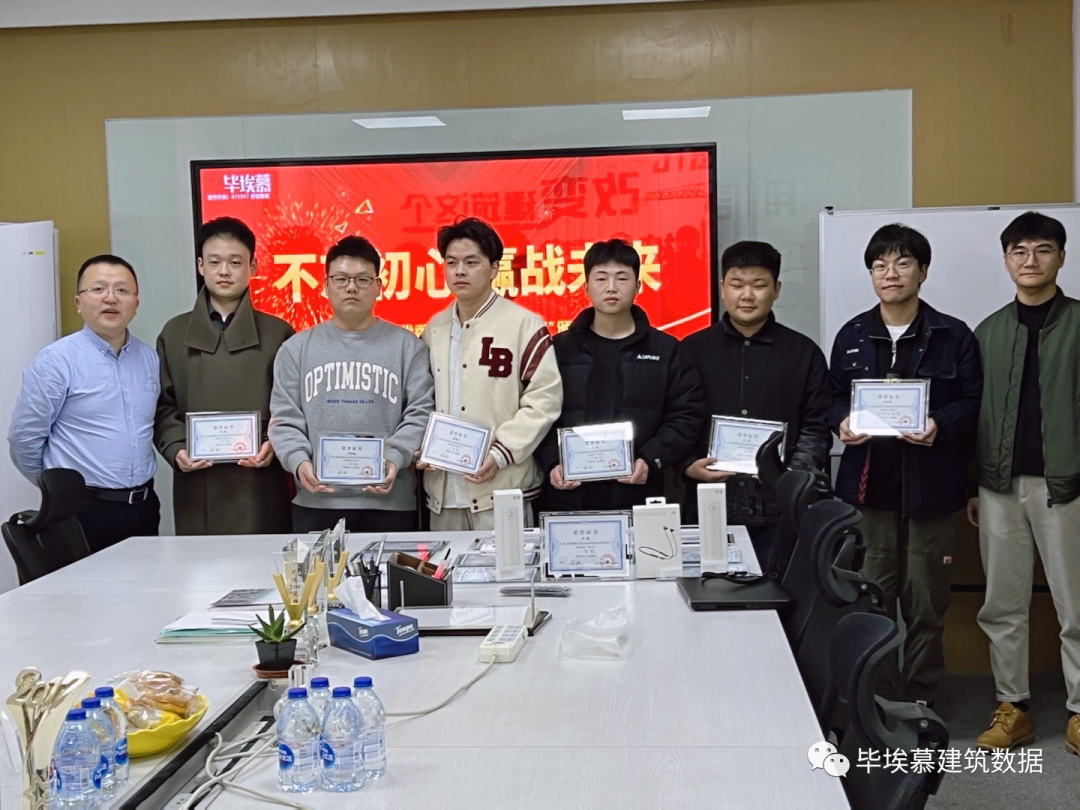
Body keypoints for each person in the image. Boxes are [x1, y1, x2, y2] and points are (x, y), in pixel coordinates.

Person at [828, 224, 982, 706]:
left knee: (927, 603)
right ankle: (877, 697)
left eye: (902, 263)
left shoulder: (953, 335)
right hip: (868, 492)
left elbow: (974, 404)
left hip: (931, 492)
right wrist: (842, 421)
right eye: (880, 265)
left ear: (923, 271)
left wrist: (939, 424)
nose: (890, 273)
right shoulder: (852, 335)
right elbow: (831, 397)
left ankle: (919, 697)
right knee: (871, 600)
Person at [967, 211, 1080, 754]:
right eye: (1019, 251)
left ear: (1062, 257)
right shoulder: (987, 332)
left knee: (1075, 605)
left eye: (1042, 249)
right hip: (999, 488)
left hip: (1067, 487)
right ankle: (1013, 708)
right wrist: (974, 484)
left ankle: (1079, 710)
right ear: (1006, 260)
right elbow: (975, 414)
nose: (1030, 260)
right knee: (1002, 605)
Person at [680, 241, 831, 569]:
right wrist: (688, 463)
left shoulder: (803, 353)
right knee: (709, 588)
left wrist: (790, 477)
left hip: (779, 507)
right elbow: (677, 418)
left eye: (759, 285)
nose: (747, 295)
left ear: (776, 289)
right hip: (709, 501)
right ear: (723, 288)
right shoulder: (691, 351)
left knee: (777, 590)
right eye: (737, 284)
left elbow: (817, 425)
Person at [269, 235, 434, 533]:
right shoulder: (295, 349)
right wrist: (298, 461)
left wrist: (394, 458)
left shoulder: (408, 347)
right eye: (341, 278)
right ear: (325, 285)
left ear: (379, 286)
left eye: (362, 279)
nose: (352, 287)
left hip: (389, 501)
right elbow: (284, 419)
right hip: (317, 500)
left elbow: (420, 414)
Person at [537, 238, 703, 512]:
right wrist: (552, 461)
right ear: (586, 286)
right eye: (601, 278)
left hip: (639, 494)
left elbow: (686, 414)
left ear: (638, 286)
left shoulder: (666, 350)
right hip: (570, 495)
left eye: (622, 278)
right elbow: (537, 412)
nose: (611, 287)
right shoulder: (558, 349)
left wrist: (651, 459)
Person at [8, 255, 160, 552]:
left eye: (122, 290)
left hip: (142, 508)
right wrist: (60, 490)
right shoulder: (56, 361)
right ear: (79, 302)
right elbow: (24, 439)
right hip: (81, 511)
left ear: (136, 303)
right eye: (98, 289)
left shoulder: (149, 358)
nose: (111, 298)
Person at [420, 217, 563, 531]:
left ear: (495, 268)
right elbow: (421, 399)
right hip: (443, 491)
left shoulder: (524, 324)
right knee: (446, 564)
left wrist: (500, 454)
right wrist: (423, 444)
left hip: (502, 489)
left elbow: (544, 401)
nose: (459, 271)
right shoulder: (434, 328)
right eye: (451, 262)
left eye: (471, 262)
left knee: (509, 563)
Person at [155, 217, 295, 535]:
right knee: (202, 563)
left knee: (263, 560)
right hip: (198, 483)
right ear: (200, 266)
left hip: (259, 482)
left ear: (253, 266)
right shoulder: (174, 333)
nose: (224, 271)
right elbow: (162, 407)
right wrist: (176, 448)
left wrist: (274, 443)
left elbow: (294, 408)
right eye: (215, 262)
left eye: (235, 262)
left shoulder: (279, 333)